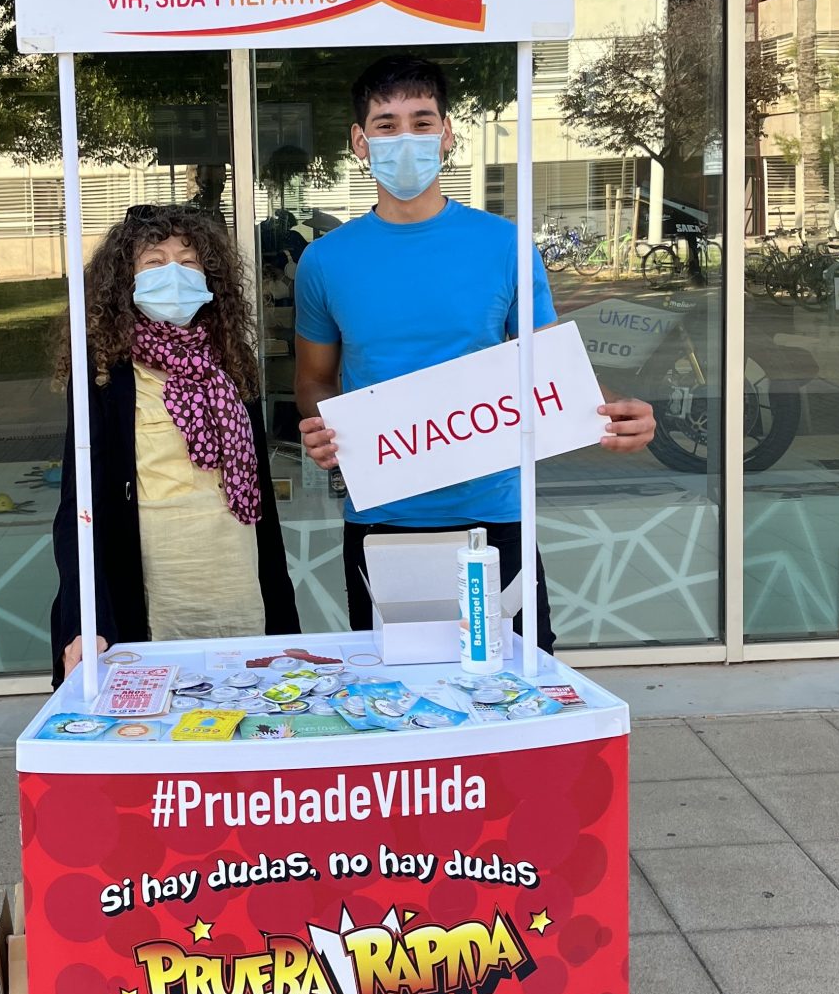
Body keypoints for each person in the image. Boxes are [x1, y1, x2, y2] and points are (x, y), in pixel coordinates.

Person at [293, 54, 656, 651]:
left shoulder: (504, 245)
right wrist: (323, 426)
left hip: (495, 511)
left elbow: (549, 367)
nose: (405, 138)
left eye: (421, 121)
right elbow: (313, 378)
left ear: (447, 134)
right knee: (394, 679)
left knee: (517, 677)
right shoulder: (325, 261)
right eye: (386, 125)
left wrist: (617, 412)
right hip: (381, 514)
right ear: (360, 141)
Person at [49, 203, 299, 681]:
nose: (174, 274)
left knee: (245, 691)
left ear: (210, 277)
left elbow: (260, 492)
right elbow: (78, 504)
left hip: (234, 570)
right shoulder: (104, 374)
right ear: (125, 280)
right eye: (154, 261)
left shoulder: (229, 363)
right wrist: (85, 619)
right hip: (153, 578)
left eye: (188, 261)